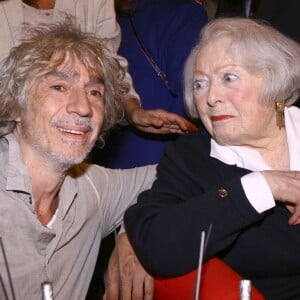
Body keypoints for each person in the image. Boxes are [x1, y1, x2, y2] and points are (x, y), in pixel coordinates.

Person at [124, 18, 300, 299]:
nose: (211, 97)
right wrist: (262, 187)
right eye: (200, 84)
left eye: (228, 78)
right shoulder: (192, 158)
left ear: (274, 81)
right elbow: (156, 243)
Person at [0, 20, 157, 300]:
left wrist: (133, 228)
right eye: (59, 86)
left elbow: (177, 175)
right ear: (13, 104)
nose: (83, 107)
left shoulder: (92, 189)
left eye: (94, 92)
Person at [0, 0, 196, 137]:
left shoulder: (95, 3)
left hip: (70, 138)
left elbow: (108, 63)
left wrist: (134, 112)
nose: (84, 107)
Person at [94, 0, 207, 169]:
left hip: (110, 153)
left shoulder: (103, 16)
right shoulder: (186, 12)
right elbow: (193, 93)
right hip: (163, 157)